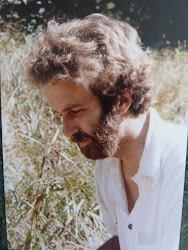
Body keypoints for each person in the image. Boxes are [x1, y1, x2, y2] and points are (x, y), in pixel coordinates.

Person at [26, 13, 187, 250]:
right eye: (60, 115)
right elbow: (125, 241)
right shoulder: (107, 165)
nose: (67, 131)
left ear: (121, 100)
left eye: (76, 110)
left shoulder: (180, 165)